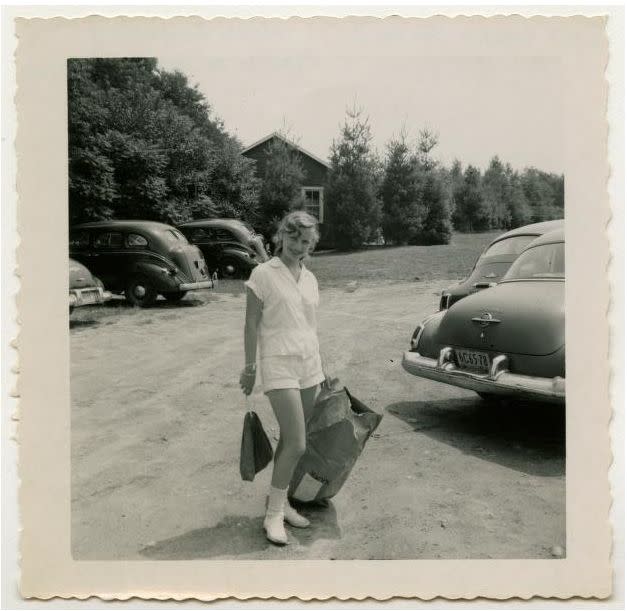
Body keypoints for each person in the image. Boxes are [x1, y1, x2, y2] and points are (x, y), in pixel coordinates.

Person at [239, 210, 325, 546]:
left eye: (305, 241)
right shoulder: (262, 273)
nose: (299, 246)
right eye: (293, 238)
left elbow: (309, 324)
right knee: (297, 442)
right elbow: (250, 324)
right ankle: (273, 515)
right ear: (282, 235)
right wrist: (249, 368)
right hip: (279, 363)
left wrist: (320, 366)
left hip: (309, 365)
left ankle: (281, 502)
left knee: (291, 443)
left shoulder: (309, 278)